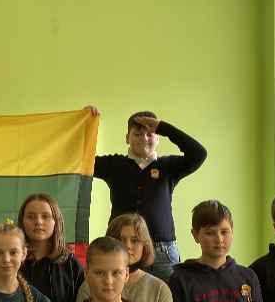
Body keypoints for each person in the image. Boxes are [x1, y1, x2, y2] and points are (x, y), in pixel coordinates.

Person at [88, 108, 206, 281]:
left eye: (150, 134)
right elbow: (80, 159)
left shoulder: (169, 166)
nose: (144, 138)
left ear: (158, 138)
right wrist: (87, 124)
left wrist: (163, 127)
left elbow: (199, 154)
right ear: (127, 138)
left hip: (163, 252)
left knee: (168, 296)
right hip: (121, 247)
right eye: (137, 134)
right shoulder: (114, 165)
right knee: (120, 295)